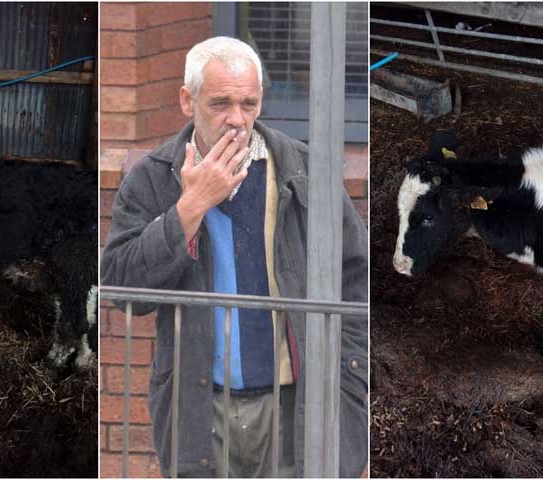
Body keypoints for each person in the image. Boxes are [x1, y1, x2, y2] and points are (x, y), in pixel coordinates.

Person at [101, 36, 367, 478]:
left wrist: (353, 374)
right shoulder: (151, 179)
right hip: (201, 403)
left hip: (293, 402)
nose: (236, 120)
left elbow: (355, 277)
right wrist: (190, 208)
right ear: (187, 100)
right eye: (220, 103)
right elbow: (122, 290)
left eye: (249, 103)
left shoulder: (304, 171)